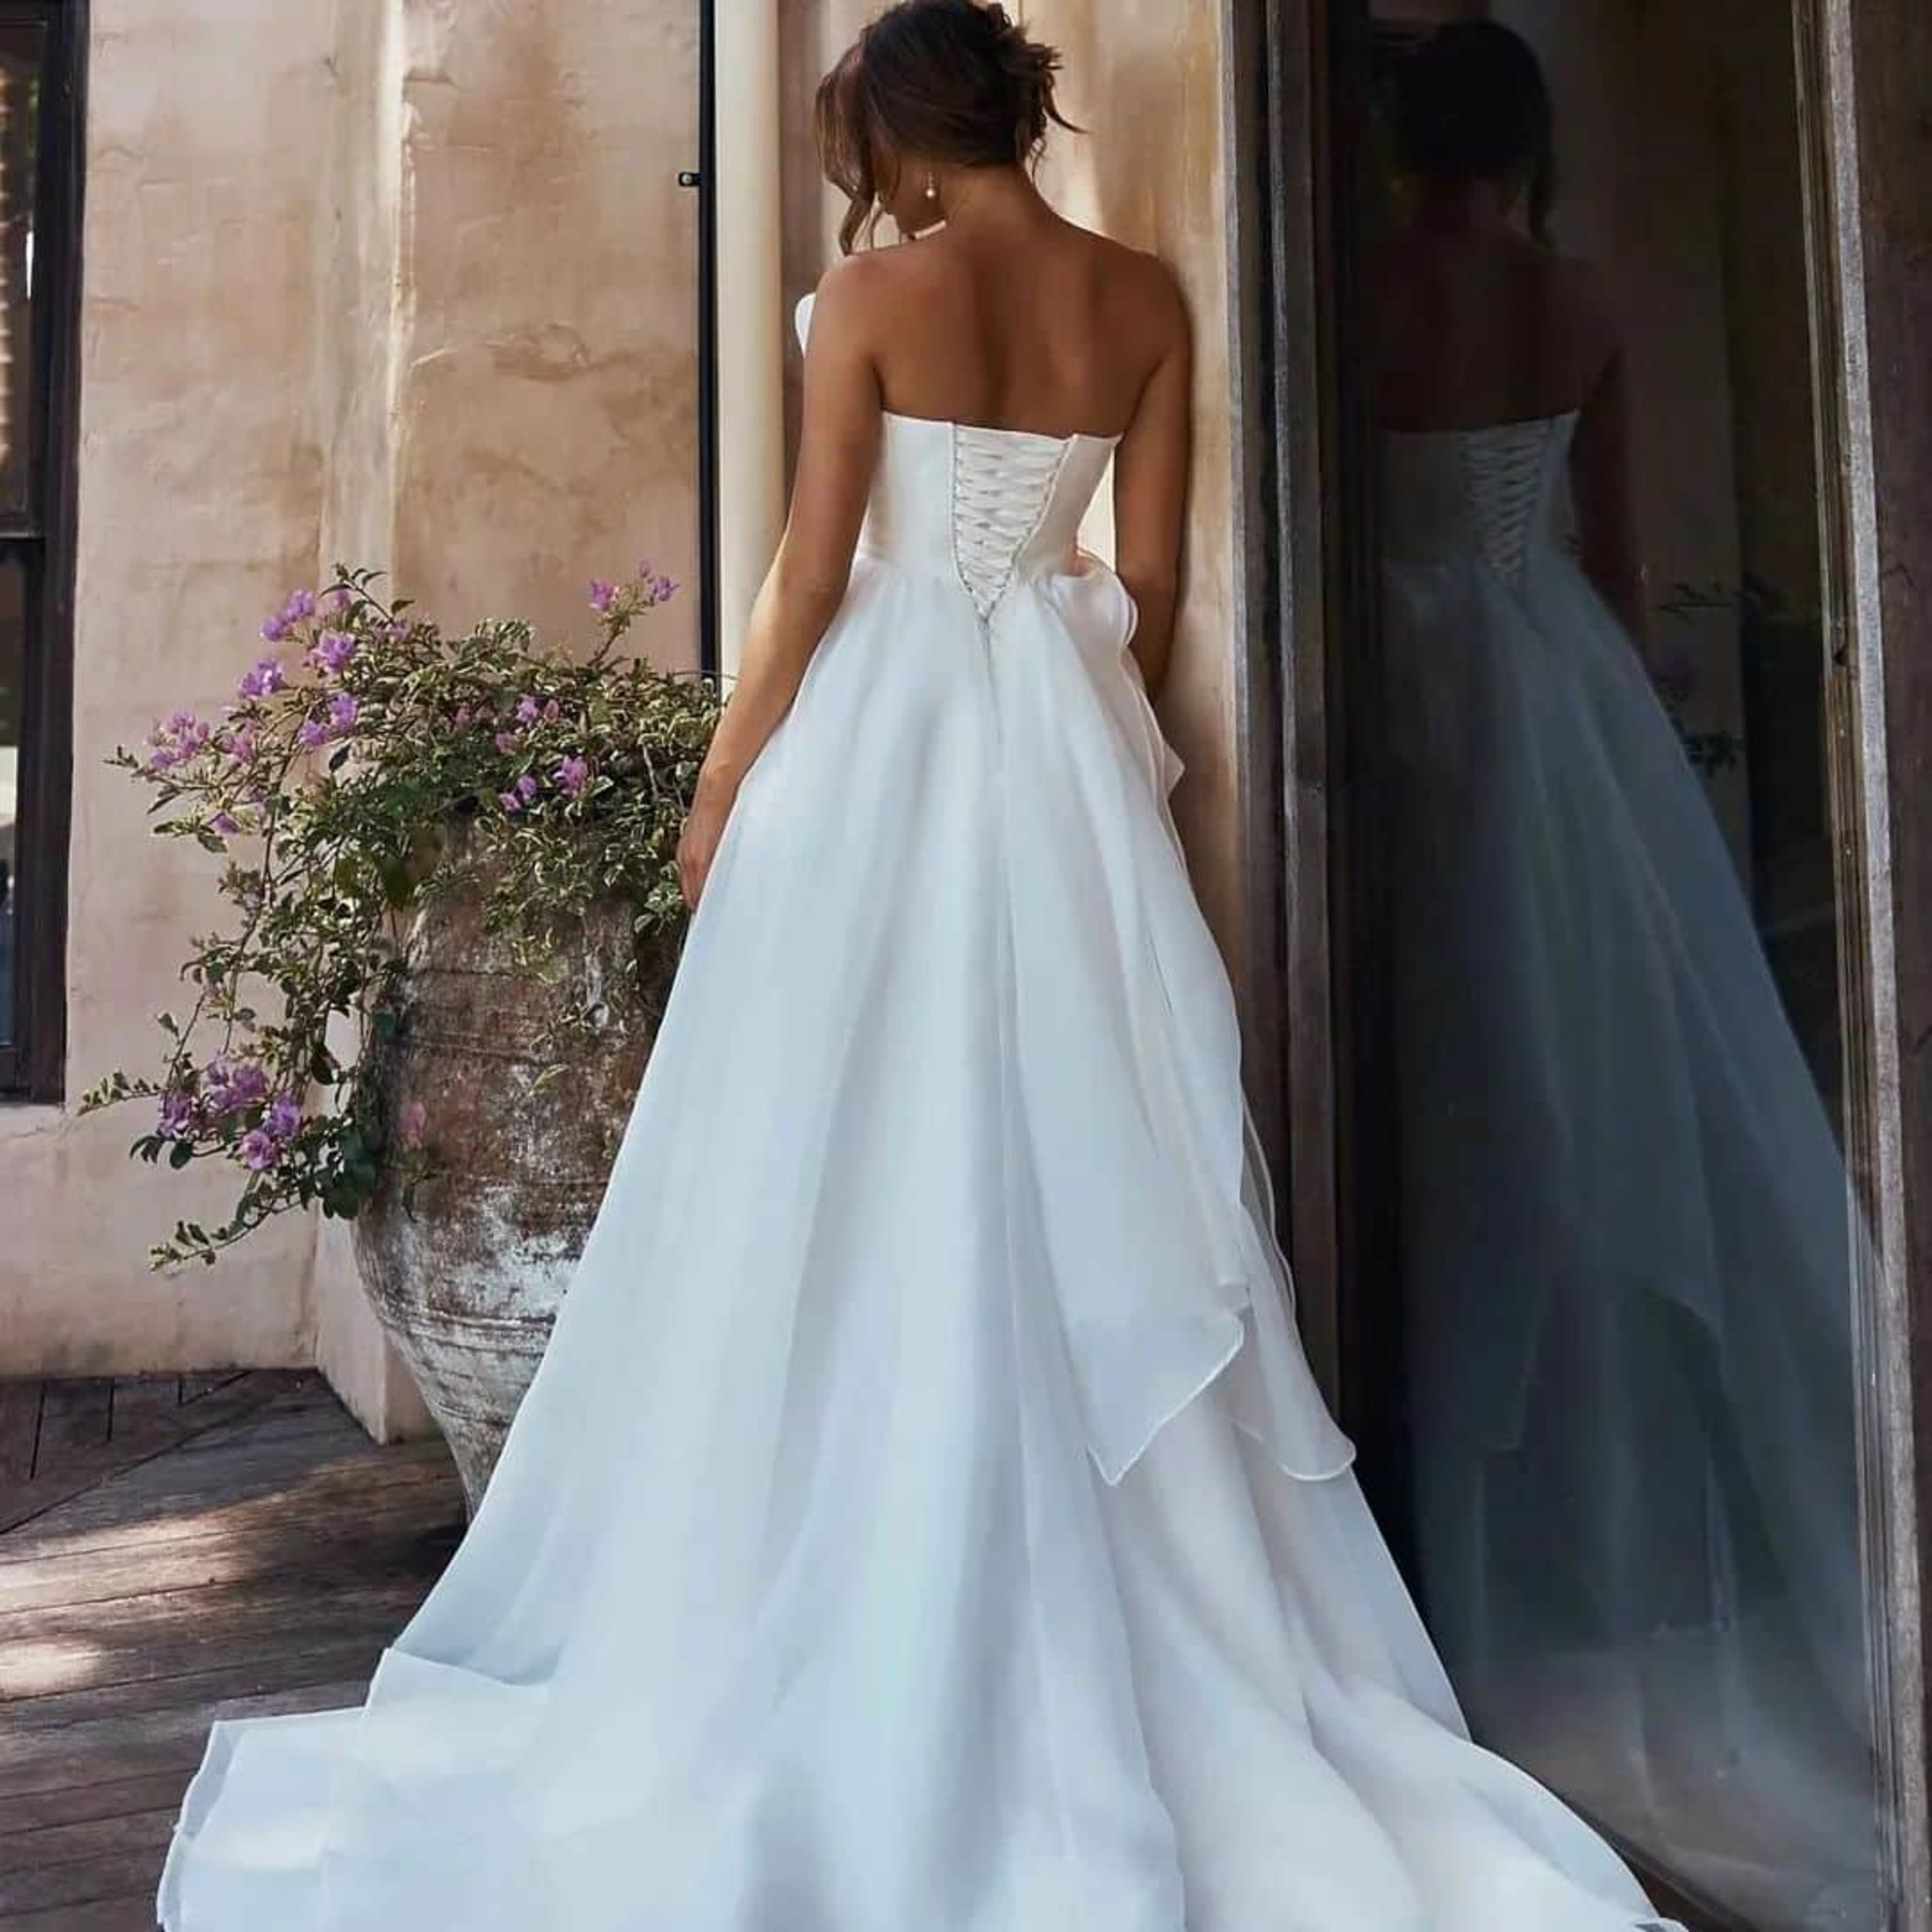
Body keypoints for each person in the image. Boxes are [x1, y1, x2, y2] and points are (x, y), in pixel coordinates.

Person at [159, 5, 1682, 1925]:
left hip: (880, 744)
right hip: (1056, 756)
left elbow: (808, 576)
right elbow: (1149, 589)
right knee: (1080, 1151)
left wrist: (722, 787)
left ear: (892, 133)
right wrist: (1063, 742)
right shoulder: (1143, 295)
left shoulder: (871, 293)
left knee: (842, 1147)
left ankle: (863, 1565)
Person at [1374, 23, 1876, 1921]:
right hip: (1553, 697)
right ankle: (1602, 1533)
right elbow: (1618, 545)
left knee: (1444, 1080)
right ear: (1532, 144)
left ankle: (1457, 1523)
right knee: (1588, 1089)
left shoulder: (1360, 296)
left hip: (1399, 699)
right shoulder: (1575, 295)